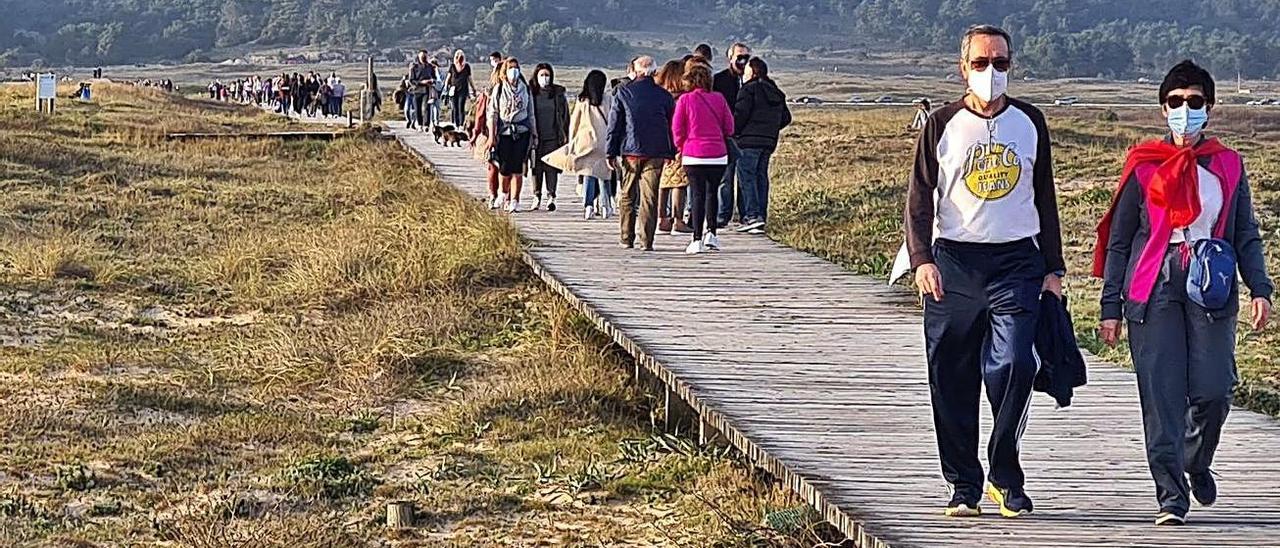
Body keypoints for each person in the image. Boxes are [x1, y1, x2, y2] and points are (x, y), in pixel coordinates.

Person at [1094, 60, 1273, 526]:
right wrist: (1110, 305)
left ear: (1209, 107)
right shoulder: (1143, 165)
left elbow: (1245, 232)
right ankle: (1170, 494)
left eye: (1194, 102)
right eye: (1176, 102)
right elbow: (1120, 238)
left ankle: (1195, 459)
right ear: (1162, 109)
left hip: (1210, 281)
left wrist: (1261, 288)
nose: (1185, 110)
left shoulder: (1227, 165)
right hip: (1153, 283)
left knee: (1215, 389)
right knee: (1161, 393)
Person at [904, 25, 1064, 519]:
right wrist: (922, 259)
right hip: (954, 262)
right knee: (950, 376)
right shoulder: (941, 123)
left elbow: (1045, 198)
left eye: (1000, 63)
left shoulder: (1030, 121)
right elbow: (918, 198)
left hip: (1017, 261)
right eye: (980, 63)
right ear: (963, 67)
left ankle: (1004, 472)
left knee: (1015, 362)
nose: (990, 72)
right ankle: (963, 484)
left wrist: (1053, 268)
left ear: (1011, 66)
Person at [606, 56, 676, 251]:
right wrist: (671, 152)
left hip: (630, 152)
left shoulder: (622, 92)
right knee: (650, 198)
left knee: (627, 195)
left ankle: (626, 238)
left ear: (634, 71)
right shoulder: (664, 96)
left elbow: (614, 125)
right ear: (655, 72)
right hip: (656, 153)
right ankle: (646, 241)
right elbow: (672, 127)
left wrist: (610, 152)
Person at [672, 63, 734, 254]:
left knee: (697, 195)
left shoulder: (685, 100)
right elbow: (729, 127)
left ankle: (696, 238)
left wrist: (682, 147)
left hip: (693, 154)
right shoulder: (719, 98)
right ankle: (712, 234)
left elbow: (677, 128)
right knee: (711, 193)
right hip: (717, 154)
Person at [542, 70, 612, 220]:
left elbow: (574, 123)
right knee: (605, 175)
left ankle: (588, 206)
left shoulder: (582, 101)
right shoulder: (608, 99)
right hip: (604, 142)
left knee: (588, 174)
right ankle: (606, 206)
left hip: (586, 142)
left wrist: (572, 141)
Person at [733, 57, 791, 235]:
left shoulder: (748, 91)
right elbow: (786, 118)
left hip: (748, 142)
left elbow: (740, 116)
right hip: (768, 142)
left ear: (752, 71)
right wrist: (771, 129)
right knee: (761, 177)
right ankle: (761, 215)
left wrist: (735, 131)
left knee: (747, 178)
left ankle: (752, 215)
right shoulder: (775, 92)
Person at [486, 58, 537, 213]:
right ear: (504, 71)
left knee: (518, 167)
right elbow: (493, 114)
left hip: (522, 131)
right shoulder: (499, 89)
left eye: (516, 68)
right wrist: (491, 135)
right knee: (504, 167)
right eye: (510, 68)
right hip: (504, 132)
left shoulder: (525, 89)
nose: (513, 71)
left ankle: (515, 200)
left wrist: (535, 133)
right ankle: (503, 193)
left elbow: (531, 113)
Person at [713, 42, 751, 228]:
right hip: (725, 135)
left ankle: (745, 214)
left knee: (745, 179)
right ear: (730, 58)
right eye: (739, 57)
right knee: (725, 178)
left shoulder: (752, 80)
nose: (743, 61)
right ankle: (722, 215)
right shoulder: (719, 80)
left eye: (746, 57)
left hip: (745, 136)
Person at [655, 59, 692, 235]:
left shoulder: (659, 95)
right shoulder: (683, 98)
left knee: (663, 181)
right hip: (678, 143)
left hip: (659, 142)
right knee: (680, 182)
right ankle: (678, 219)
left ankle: (661, 217)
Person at [528, 63, 570, 212]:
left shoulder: (557, 95)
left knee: (551, 167)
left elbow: (565, 116)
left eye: (547, 75)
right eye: (542, 75)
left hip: (553, 136)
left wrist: (565, 134)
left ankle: (552, 196)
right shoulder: (531, 93)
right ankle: (537, 196)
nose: (544, 78)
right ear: (536, 76)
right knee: (536, 168)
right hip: (535, 137)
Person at [471, 61, 502, 208]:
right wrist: (476, 132)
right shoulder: (489, 93)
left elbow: (479, 116)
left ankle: (495, 195)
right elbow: (481, 115)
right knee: (498, 167)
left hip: (493, 133)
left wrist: (475, 133)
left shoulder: (488, 93)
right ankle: (497, 195)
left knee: (494, 166)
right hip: (494, 134)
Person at [445, 50, 473, 129]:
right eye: (458, 57)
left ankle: (461, 124)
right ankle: (455, 123)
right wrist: (446, 87)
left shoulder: (467, 66)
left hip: (463, 90)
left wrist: (473, 89)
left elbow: (469, 78)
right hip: (453, 90)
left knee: (461, 107)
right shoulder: (452, 66)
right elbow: (448, 78)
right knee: (454, 107)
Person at [408, 51, 435, 131]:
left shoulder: (430, 67)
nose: (423, 57)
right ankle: (419, 124)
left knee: (427, 107)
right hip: (417, 90)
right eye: (422, 56)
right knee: (417, 108)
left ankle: (426, 125)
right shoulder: (414, 67)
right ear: (419, 57)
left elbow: (434, 78)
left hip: (427, 90)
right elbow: (411, 80)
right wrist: (421, 82)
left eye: (425, 56)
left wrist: (431, 81)